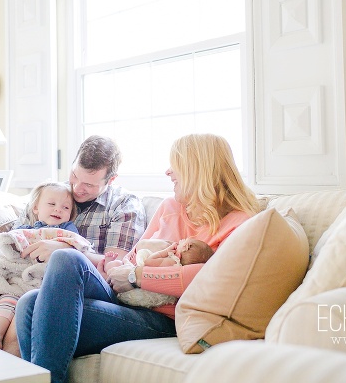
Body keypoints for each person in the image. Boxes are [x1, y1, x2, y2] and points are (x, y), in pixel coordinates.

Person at [15, 133, 260, 383]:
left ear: (198, 170)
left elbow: (210, 278)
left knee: (39, 296)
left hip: (165, 318)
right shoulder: (169, 208)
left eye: (175, 165)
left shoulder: (242, 223)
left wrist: (136, 276)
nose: (168, 172)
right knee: (37, 292)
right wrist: (116, 265)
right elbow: (134, 256)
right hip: (125, 298)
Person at [0, 135, 146, 354]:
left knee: (25, 312)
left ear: (111, 180)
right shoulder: (55, 193)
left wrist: (65, 250)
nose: (77, 188)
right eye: (74, 175)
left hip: (70, 290)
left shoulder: (124, 206)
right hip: (22, 275)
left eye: (88, 184)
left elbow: (113, 274)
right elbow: (17, 235)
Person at [0, 181, 84, 349]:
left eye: (65, 208)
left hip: (44, 282)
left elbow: (78, 246)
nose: (58, 209)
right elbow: (2, 245)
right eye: (51, 204)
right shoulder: (25, 228)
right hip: (20, 278)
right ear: (36, 208)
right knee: (7, 300)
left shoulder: (67, 229)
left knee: (22, 307)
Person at [107, 237, 214, 308]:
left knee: (113, 265)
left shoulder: (171, 262)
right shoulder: (174, 265)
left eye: (184, 241)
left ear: (181, 253)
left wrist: (163, 252)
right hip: (130, 286)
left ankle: (105, 268)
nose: (179, 241)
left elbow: (148, 262)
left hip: (133, 293)